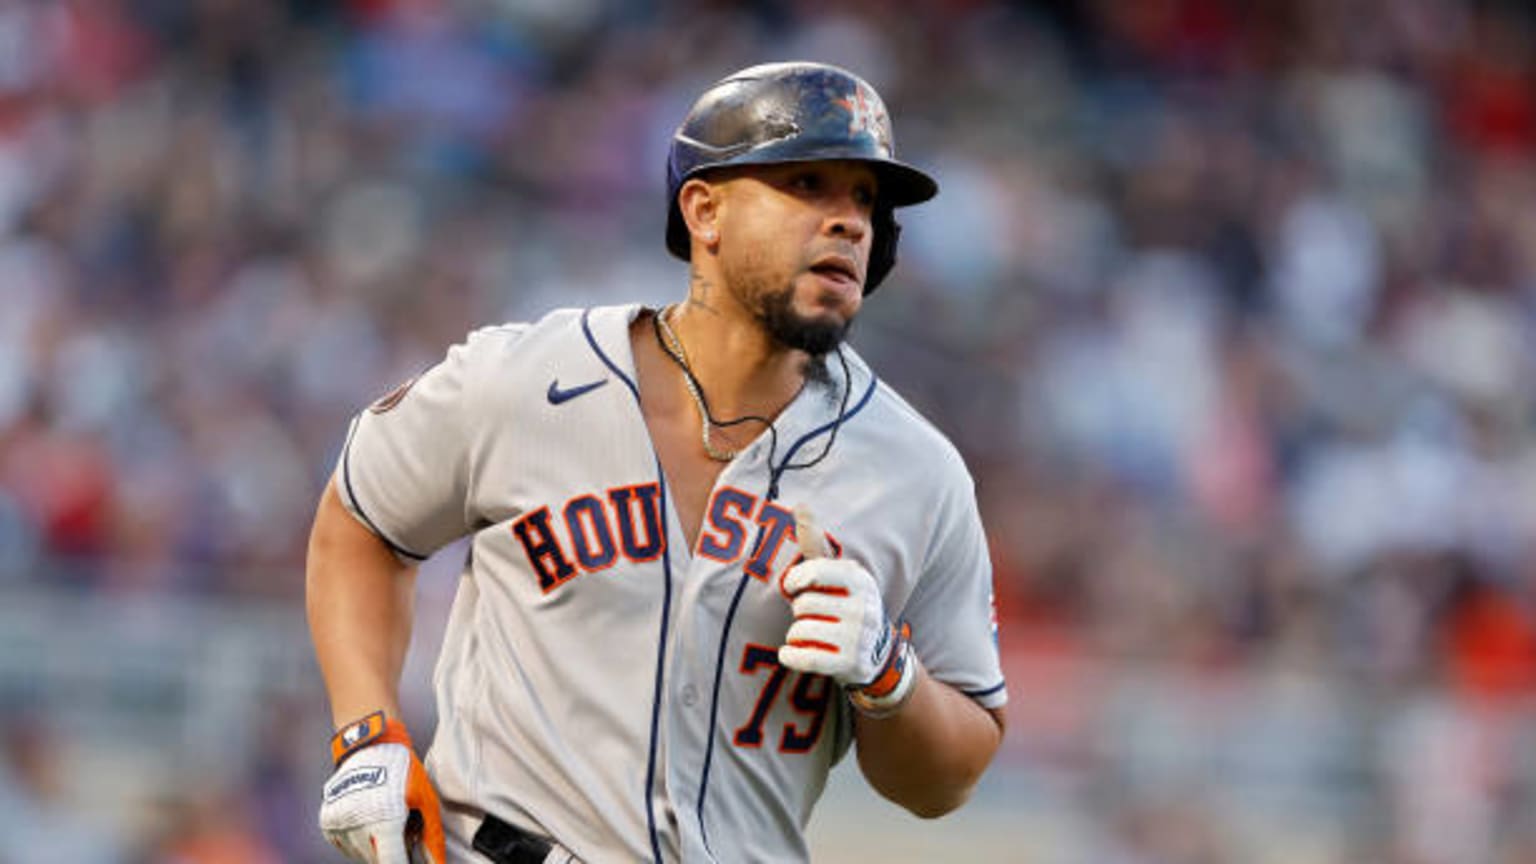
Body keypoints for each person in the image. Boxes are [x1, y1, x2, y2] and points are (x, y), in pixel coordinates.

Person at [307, 60, 1008, 864]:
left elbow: (946, 780)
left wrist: (891, 679)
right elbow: (362, 520)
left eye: (864, 201)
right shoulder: (526, 379)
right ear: (704, 210)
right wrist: (365, 733)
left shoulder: (918, 474)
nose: (849, 221)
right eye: (809, 183)